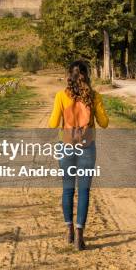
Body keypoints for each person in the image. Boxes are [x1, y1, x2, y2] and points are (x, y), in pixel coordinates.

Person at [48, 61, 108, 250]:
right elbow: (104, 123)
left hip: (65, 146)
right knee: (83, 191)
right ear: (87, 75)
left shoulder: (60, 96)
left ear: (69, 76)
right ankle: (80, 237)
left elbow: (52, 123)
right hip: (87, 147)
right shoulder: (94, 96)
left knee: (67, 190)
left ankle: (69, 231)